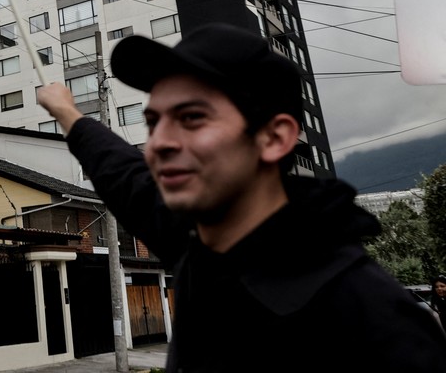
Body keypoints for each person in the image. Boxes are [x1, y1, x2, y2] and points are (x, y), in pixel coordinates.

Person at [37, 22, 446, 372]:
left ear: (274, 137)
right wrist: (68, 114)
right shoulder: (198, 242)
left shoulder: (374, 323)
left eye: (192, 118)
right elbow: (123, 173)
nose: (158, 143)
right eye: (153, 121)